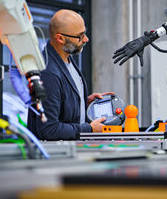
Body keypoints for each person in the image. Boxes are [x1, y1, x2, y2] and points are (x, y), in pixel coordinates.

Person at [27, 9, 113, 140]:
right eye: (80, 36)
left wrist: (82, 101)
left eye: (85, 33)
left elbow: (60, 101)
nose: (86, 39)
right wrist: (89, 129)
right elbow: (49, 129)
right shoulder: (48, 72)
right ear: (60, 38)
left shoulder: (66, 58)